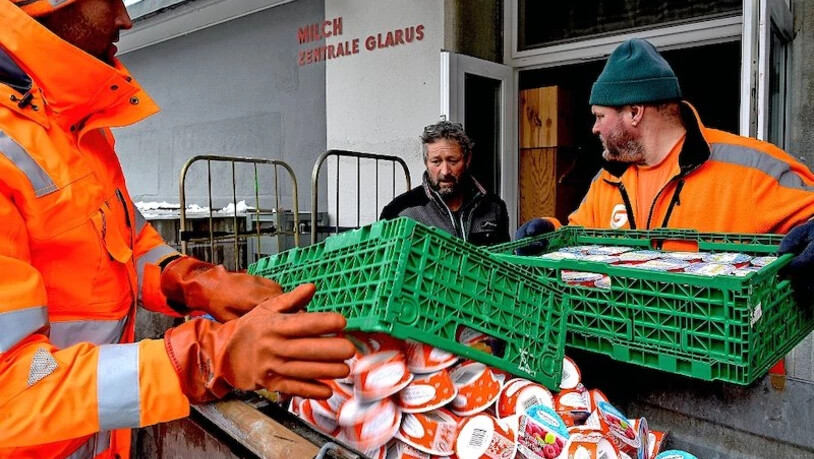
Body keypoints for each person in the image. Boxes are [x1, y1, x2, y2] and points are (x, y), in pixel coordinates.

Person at [0, 1, 354, 457]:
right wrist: (201, 359)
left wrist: (196, 282)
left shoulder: (74, 129)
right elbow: (11, 393)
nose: (125, 19)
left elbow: (127, 245)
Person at [515, 38, 814, 297]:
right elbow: (579, 238)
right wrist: (549, 232)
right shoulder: (608, 179)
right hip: (627, 351)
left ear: (634, 112)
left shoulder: (749, 168)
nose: (594, 128)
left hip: (723, 358)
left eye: (599, 116)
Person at [380, 121, 511, 246]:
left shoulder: (493, 207)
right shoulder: (399, 212)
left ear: (467, 159)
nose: (445, 171)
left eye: (452, 161)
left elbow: (505, 262)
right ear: (426, 162)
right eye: (436, 161)